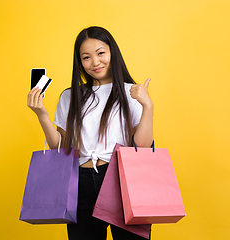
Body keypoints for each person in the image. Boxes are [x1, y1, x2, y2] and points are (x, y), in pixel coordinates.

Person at [27, 26, 154, 240]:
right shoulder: (70, 96)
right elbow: (62, 147)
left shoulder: (130, 92)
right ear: (79, 62)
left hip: (122, 180)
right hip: (81, 182)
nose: (95, 62)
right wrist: (41, 114)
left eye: (101, 53)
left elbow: (141, 146)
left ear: (113, 52)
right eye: (86, 57)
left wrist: (148, 106)